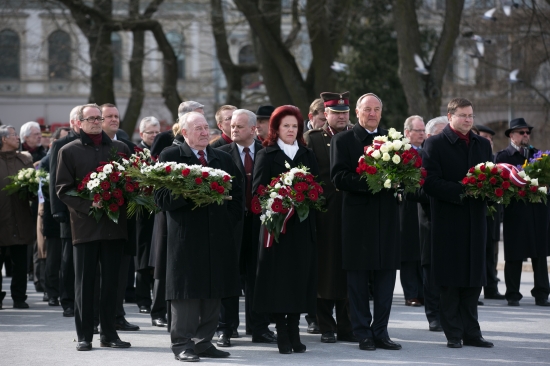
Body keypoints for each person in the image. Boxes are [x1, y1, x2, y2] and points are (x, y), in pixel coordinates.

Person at [155, 111, 243, 362]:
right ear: (184, 133)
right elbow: (160, 198)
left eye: (206, 128)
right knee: (187, 293)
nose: (205, 133)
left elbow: (237, 196)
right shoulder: (171, 156)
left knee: (213, 290)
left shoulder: (222, 158)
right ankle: (183, 343)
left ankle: (204, 342)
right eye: (199, 129)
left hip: (217, 235)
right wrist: (191, 193)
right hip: (185, 238)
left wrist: (227, 222)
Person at [56, 103, 132, 351]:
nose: (97, 122)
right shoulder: (69, 151)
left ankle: (109, 334)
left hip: (114, 226)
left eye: (99, 118)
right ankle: (84, 335)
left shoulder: (120, 148)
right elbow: (63, 189)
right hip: (86, 226)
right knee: (85, 284)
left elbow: (129, 183)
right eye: (91, 118)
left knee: (111, 284)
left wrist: (119, 196)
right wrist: (91, 205)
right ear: (79, 122)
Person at [330, 93, 402, 351]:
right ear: (357, 113)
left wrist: (401, 181)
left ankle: (381, 332)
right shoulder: (343, 140)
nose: (372, 114)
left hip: (387, 219)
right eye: (367, 109)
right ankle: (362, 332)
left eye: (376, 109)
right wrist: (375, 181)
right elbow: (338, 177)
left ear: (381, 113)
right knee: (358, 281)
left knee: (385, 280)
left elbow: (405, 175)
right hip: (358, 220)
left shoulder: (394, 140)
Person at [423, 98, 494, 349]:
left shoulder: (482, 144)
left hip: (475, 221)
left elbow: (491, 176)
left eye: (471, 116)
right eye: (463, 115)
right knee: (451, 281)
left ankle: (472, 332)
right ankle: (453, 333)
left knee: (474, 281)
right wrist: (463, 191)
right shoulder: (435, 143)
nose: (467, 120)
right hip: (448, 222)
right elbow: (429, 182)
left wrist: (490, 189)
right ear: (450, 116)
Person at [253, 105, 319, 355]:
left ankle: (295, 330)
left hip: (301, 229)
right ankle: (282, 331)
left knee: (299, 279)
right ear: (276, 129)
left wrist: (304, 198)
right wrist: (278, 201)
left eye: (294, 126)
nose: (291, 130)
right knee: (279, 281)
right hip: (276, 230)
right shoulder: (266, 154)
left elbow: (317, 189)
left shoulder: (307, 154)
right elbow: (257, 195)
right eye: (286, 126)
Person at [216, 109, 277, 347]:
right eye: (232, 126)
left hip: (259, 223)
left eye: (239, 127)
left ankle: (259, 327)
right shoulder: (220, 154)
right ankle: (226, 328)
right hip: (231, 224)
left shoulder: (267, 153)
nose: (234, 130)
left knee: (258, 276)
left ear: (254, 129)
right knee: (229, 275)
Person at [304, 92, 355, 344]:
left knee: (349, 268)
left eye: (345, 112)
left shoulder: (356, 136)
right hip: (324, 214)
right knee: (325, 269)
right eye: (336, 113)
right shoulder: (313, 139)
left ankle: (347, 325)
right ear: (325, 115)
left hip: (352, 213)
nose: (342, 117)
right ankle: (325, 324)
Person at [495, 118, 550, 307]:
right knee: (514, 254)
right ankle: (512, 294)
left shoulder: (539, 156)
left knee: (540, 253)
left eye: (527, 132)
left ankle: (542, 293)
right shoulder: (503, 157)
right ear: (512, 135)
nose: (525, 135)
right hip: (516, 212)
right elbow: (497, 183)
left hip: (538, 212)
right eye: (521, 132)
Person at [416, 116, 448, 332]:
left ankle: (450, 314)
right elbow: (412, 191)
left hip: (453, 220)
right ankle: (433, 315)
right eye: (440, 135)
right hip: (430, 219)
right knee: (431, 272)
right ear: (428, 137)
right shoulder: (418, 157)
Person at [50, 105, 81, 318]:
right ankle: (67, 300)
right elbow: (54, 178)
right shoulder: (61, 144)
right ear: (74, 122)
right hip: (67, 212)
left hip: (88, 213)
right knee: (68, 260)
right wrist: (57, 209)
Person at [0, 125, 36, 309]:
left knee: (20, 262)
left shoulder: (24, 159)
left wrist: (33, 188)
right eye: (14, 135)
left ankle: (19, 297)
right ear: (4, 139)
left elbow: (34, 189)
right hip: (1, 218)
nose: (17, 138)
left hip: (20, 218)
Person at [473, 124, 505, 301]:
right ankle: (476, 290)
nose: (488, 142)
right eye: (484, 138)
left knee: (491, 252)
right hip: (477, 212)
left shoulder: (495, 162)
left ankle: (491, 287)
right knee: (477, 252)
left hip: (492, 213)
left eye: (490, 139)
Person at [41, 127, 70, 307]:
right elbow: (49, 183)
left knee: (65, 258)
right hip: (54, 212)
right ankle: (51, 292)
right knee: (53, 256)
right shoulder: (50, 157)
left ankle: (62, 291)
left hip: (69, 215)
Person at [400, 115, 426, 307]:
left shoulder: (427, 152)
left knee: (423, 250)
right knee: (409, 252)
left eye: (424, 131)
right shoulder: (400, 153)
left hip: (423, 205)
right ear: (407, 133)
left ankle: (424, 291)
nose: (422, 134)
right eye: (418, 131)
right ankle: (411, 294)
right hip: (406, 207)